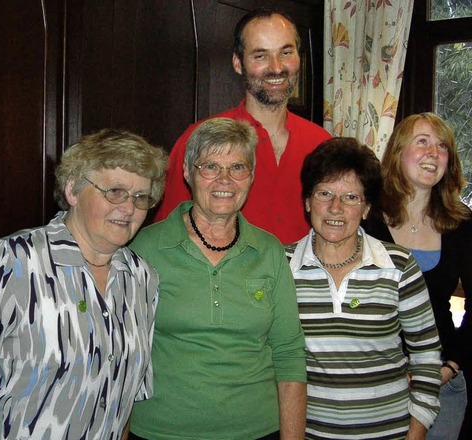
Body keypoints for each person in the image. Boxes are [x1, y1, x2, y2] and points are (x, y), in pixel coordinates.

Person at [0, 129, 167, 439]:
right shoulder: (15, 261)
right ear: (73, 191)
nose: (129, 208)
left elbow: (125, 398)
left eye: (140, 197)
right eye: (115, 191)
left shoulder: (142, 278)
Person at [127, 118, 307, 440]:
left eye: (238, 167)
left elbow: (289, 352)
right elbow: (124, 355)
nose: (225, 179)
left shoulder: (269, 251)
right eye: (210, 166)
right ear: (187, 172)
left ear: (251, 176)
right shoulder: (145, 248)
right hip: (160, 431)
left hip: (257, 430)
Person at [285, 137, 442, 439]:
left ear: (367, 208)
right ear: (307, 201)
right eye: (325, 193)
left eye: (351, 197)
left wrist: (415, 433)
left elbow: (426, 357)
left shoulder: (398, 265)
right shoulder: (281, 266)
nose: (335, 208)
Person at [154, 7, 331, 244]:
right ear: (238, 63)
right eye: (261, 55)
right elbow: (167, 235)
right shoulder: (198, 139)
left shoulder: (321, 143)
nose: (277, 67)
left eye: (286, 52)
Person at [363, 113, 472, 440]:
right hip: (371, 386)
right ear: (397, 152)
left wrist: (451, 366)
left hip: (441, 385)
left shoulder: (462, 224)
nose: (433, 153)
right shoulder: (365, 216)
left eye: (442, 147)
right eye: (422, 141)